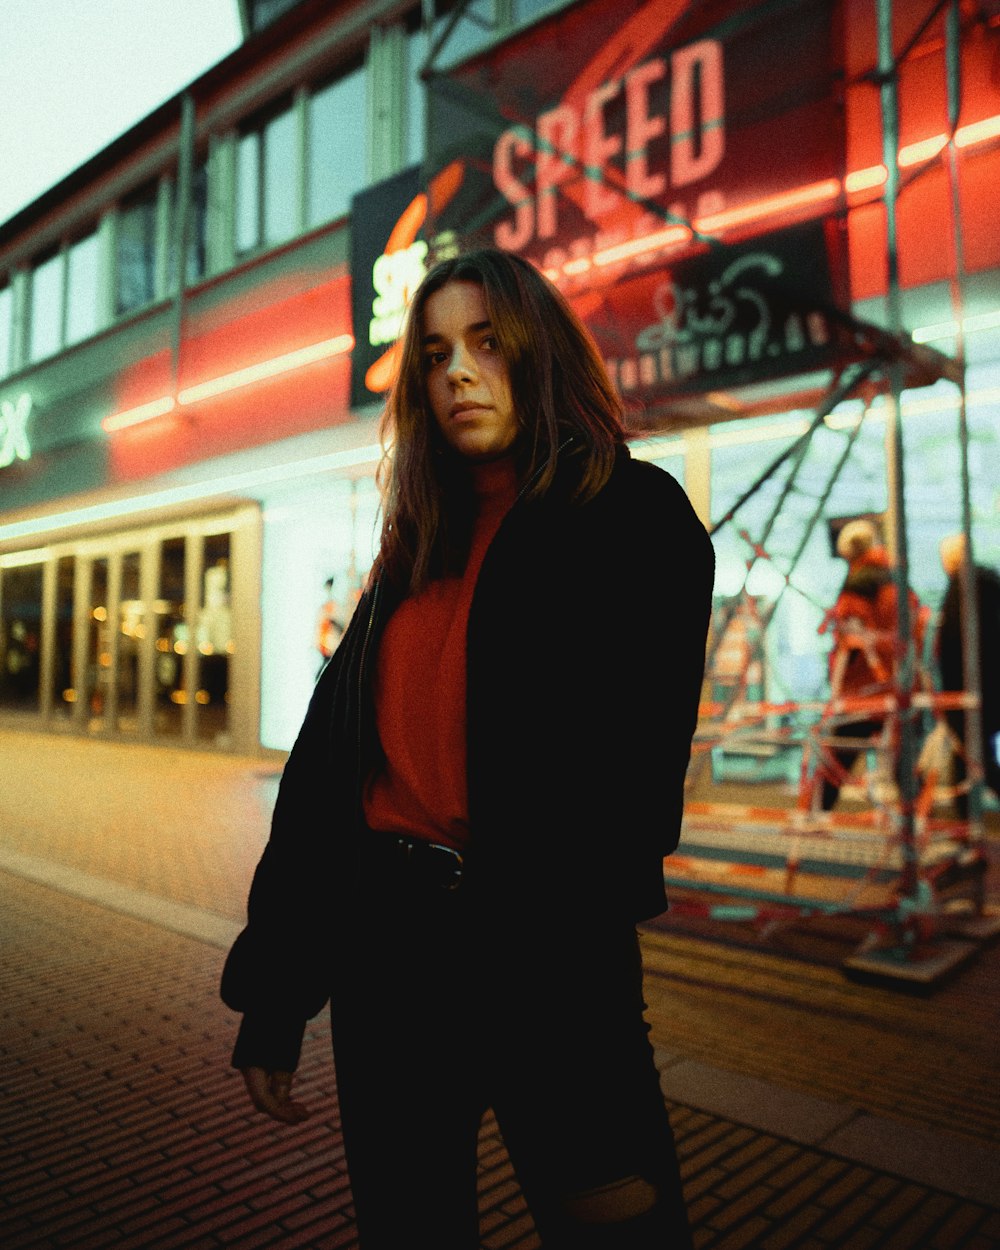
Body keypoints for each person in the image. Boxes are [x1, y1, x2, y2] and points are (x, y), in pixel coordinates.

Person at [220, 247, 715, 1249]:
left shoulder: (631, 516)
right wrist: (277, 995)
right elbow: (325, 786)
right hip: (389, 963)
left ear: (538, 352)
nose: (456, 370)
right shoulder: (413, 551)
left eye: (486, 341)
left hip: (550, 969)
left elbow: (633, 785)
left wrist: (542, 953)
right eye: (435, 350)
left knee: (624, 1230)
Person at [817, 518, 927, 811]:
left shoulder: (858, 585)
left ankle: (812, 825)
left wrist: (837, 687)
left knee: (834, 764)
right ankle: (917, 827)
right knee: (903, 769)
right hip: (900, 685)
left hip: (865, 691)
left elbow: (850, 641)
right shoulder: (900, 580)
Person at [936, 533, 1000, 817]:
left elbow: (953, 647)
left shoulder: (959, 590)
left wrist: (948, 694)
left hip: (972, 687)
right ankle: (964, 821)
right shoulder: (992, 583)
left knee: (973, 755)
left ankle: (965, 825)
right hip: (992, 684)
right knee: (971, 754)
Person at [314, 575, 344, 673]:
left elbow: (340, 626)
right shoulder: (324, 608)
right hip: (327, 646)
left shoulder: (336, 607)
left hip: (332, 645)